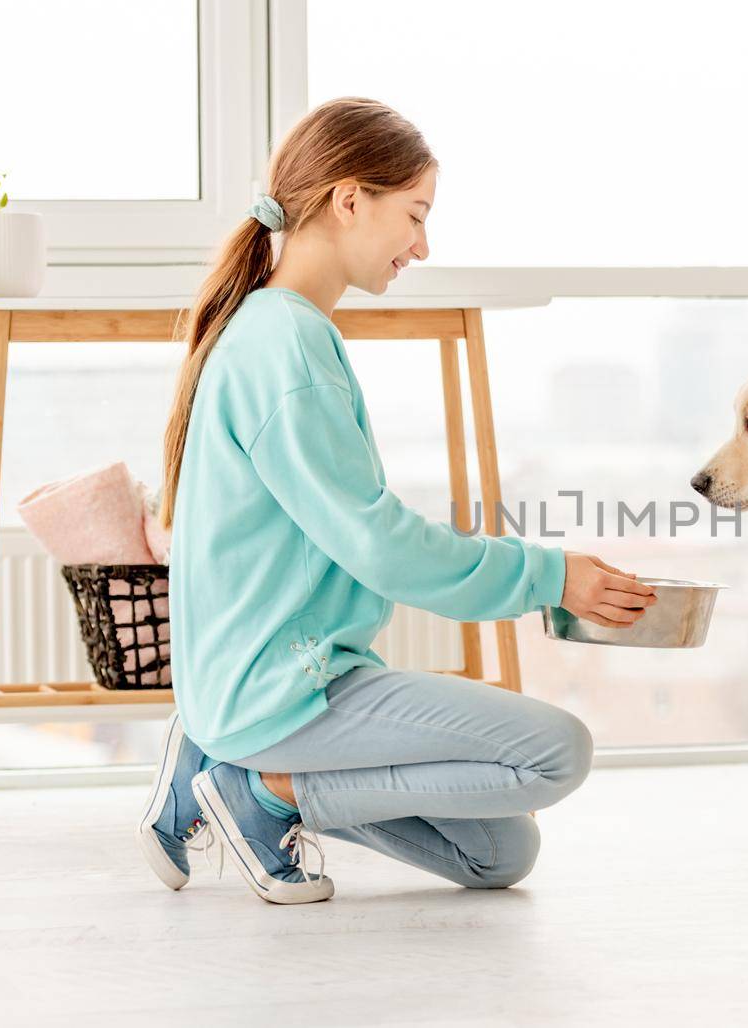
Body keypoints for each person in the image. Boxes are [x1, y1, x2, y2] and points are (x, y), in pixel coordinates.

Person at [134, 97, 656, 904]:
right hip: (286, 686)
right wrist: (550, 576)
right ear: (350, 200)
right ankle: (262, 791)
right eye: (413, 214)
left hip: (278, 678)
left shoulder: (277, 329)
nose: (422, 244)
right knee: (556, 754)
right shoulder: (287, 346)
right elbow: (381, 546)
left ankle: (224, 759)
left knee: (499, 856)